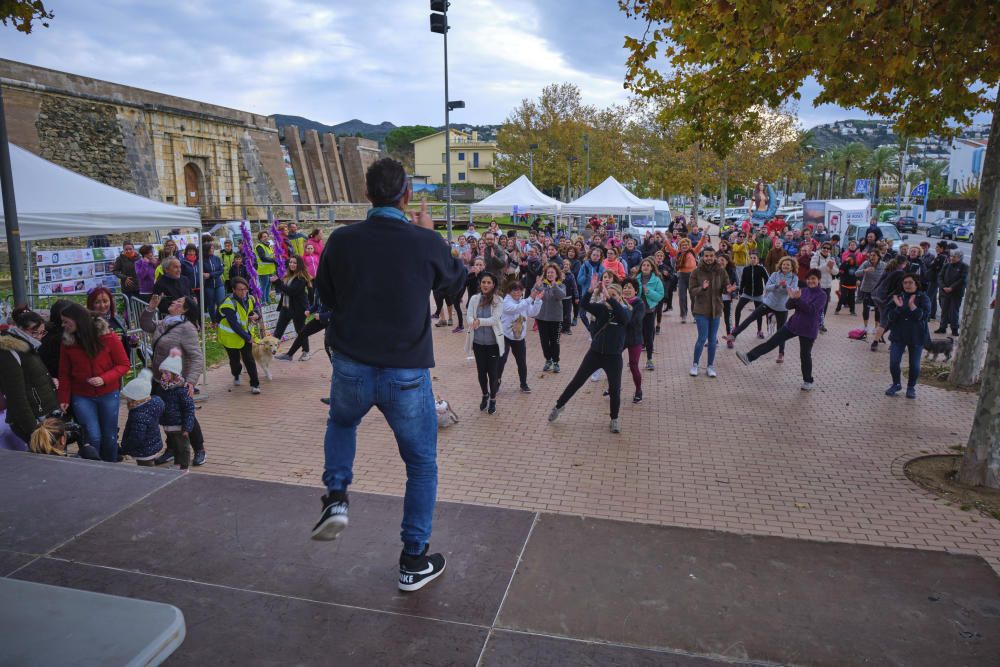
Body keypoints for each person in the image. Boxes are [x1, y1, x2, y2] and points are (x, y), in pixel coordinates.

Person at [312, 157, 466, 592]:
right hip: (406, 372)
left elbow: (324, 293)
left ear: (367, 194)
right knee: (420, 464)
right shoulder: (424, 241)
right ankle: (413, 560)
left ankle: (337, 497)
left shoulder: (342, 240)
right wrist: (433, 237)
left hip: (352, 364)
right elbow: (455, 286)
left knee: (342, 421)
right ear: (408, 195)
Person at [548, 281, 630, 434]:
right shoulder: (601, 309)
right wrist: (590, 290)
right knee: (577, 381)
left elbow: (625, 319)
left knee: (615, 389)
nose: (609, 297)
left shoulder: (624, 311)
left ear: (619, 297)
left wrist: (610, 299)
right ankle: (559, 406)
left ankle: (614, 419)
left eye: (613, 295)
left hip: (614, 357)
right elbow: (584, 305)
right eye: (608, 294)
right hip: (595, 353)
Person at [57, 303, 130, 462]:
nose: (63, 325)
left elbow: (124, 364)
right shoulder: (67, 342)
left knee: (109, 436)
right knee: (93, 436)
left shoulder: (109, 338)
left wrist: (104, 378)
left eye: (66, 321)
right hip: (82, 395)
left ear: (78, 321)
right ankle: (94, 467)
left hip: (109, 393)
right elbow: (64, 373)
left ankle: (111, 467)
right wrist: (63, 397)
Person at [141, 294, 207, 465]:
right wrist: (150, 308)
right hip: (159, 379)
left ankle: (199, 449)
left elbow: (196, 357)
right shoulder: (166, 322)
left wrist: (190, 381)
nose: (173, 302)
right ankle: (171, 449)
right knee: (166, 415)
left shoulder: (187, 328)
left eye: (178, 302)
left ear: (184, 309)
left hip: (178, 382)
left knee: (186, 417)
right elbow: (146, 325)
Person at [737, 269, 827, 391]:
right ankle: (749, 357)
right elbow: (788, 306)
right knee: (772, 342)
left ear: (819, 280)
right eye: (809, 279)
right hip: (793, 324)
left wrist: (798, 299)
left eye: (814, 279)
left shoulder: (822, 295)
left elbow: (811, 310)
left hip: (808, 329)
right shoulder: (803, 291)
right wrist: (793, 298)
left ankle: (808, 381)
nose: (811, 281)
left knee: (805, 355)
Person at [0, 307, 58, 450]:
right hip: (34, 421)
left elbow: (33, 378)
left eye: (42, 332)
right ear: (19, 329)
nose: (38, 337)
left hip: (43, 416)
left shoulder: (29, 346)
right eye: (34, 332)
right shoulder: (10, 351)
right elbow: (16, 397)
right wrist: (34, 429)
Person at [728, 256, 799, 363]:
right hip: (768, 303)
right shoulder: (775, 275)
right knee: (751, 317)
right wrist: (777, 285)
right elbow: (767, 287)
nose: (785, 266)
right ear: (780, 265)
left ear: (792, 267)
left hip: (782, 308)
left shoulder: (794, 278)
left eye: (788, 265)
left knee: (781, 332)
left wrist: (785, 286)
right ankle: (734, 335)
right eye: (784, 264)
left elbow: (792, 292)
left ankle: (781, 354)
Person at [884, 273, 931, 399]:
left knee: (914, 365)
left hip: (916, 335)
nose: (907, 285)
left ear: (916, 284)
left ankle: (911, 387)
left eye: (910, 282)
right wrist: (898, 308)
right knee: (894, 362)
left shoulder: (923, 298)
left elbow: (923, 316)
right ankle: (896, 384)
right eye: (905, 283)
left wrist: (912, 307)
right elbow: (889, 317)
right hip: (899, 335)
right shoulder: (897, 297)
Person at [464, 271, 504, 414]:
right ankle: (484, 395)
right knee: (481, 373)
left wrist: (478, 321)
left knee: (492, 374)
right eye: (483, 282)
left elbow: (495, 319)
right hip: (478, 343)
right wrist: (472, 321)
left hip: (493, 344)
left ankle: (493, 398)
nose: (486, 285)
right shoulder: (474, 299)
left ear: (493, 285)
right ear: (480, 284)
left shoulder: (498, 300)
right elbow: (468, 316)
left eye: (489, 283)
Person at [217, 277, 263, 395]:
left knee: (249, 359)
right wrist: (247, 337)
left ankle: (255, 384)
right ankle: (236, 374)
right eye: (240, 290)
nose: (243, 292)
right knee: (235, 361)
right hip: (230, 337)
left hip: (245, 334)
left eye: (245, 289)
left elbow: (255, 310)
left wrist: (256, 315)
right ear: (233, 290)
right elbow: (234, 324)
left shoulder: (250, 298)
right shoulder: (228, 303)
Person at [688, 246, 728, 377]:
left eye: (711, 256)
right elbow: (692, 291)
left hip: (716, 309)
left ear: (715, 256)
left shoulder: (721, 271)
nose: (709, 258)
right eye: (706, 256)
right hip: (701, 310)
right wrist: (702, 288)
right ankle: (695, 364)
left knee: (712, 340)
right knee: (702, 338)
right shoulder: (696, 272)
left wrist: (729, 289)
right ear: (702, 257)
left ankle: (710, 366)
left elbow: (725, 287)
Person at [498, 277, 543, 393]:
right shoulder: (506, 302)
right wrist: (531, 297)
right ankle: (495, 384)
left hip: (519, 338)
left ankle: (523, 384)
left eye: (519, 290)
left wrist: (537, 300)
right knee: (501, 360)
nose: (517, 292)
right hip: (506, 336)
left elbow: (533, 312)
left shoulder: (523, 302)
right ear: (509, 292)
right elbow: (515, 309)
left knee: (521, 362)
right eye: (514, 290)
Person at [156, 348, 195, 470]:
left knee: (182, 447)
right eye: (162, 372)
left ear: (175, 375)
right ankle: (177, 464)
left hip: (179, 425)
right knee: (174, 446)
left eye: (166, 373)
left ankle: (184, 467)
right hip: (168, 424)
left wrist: (187, 427)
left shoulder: (182, 390)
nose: (163, 375)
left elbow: (189, 410)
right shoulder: (162, 387)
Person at [120, 369, 164, 466]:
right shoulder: (153, 404)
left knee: (145, 470)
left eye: (128, 398)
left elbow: (136, 437)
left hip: (143, 450)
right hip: (152, 443)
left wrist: (125, 449)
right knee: (149, 465)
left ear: (136, 398)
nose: (127, 400)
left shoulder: (139, 415)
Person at [271, 256, 313, 359]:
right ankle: (270, 351)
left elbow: (291, 291)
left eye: (295, 263)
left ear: (299, 265)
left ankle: (306, 352)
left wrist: (277, 282)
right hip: (285, 307)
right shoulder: (287, 275)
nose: (292, 264)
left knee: (300, 331)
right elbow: (284, 290)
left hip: (298, 309)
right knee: (278, 330)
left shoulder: (301, 278)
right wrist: (275, 284)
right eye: (290, 262)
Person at [666, 234, 707, 323]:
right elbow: (669, 248)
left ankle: (695, 315)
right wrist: (663, 237)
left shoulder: (693, 251)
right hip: (682, 276)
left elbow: (700, 244)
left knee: (694, 297)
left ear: (689, 245)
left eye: (686, 245)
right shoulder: (677, 253)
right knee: (682, 297)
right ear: (680, 246)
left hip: (693, 277)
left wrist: (704, 234)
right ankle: (683, 315)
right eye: (682, 245)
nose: (684, 246)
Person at [536, 263, 567, 373]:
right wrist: (536, 286)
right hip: (542, 318)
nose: (549, 274)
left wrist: (554, 285)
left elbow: (561, 296)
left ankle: (556, 361)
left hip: (556, 319)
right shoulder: (541, 285)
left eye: (552, 272)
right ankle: (548, 360)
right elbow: (533, 295)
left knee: (555, 342)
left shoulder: (561, 285)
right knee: (544, 342)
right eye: (548, 272)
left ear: (556, 274)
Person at [636, 258, 664, 370]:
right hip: (637, 312)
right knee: (636, 336)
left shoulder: (656, 280)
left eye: (648, 265)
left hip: (649, 312)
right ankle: (635, 359)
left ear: (652, 267)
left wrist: (648, 292)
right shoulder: (636, 278)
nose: (646, 267)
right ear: (641, 267)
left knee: (648, 336)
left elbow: (660, 295)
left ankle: (649, 359)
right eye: (644, 265)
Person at [87, 286, 130, 359]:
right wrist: (110, 340)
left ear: (110, 301)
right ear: (91, 303)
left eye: (105, 301)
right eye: (97, 302)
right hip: (102, 364)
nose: (102, 306)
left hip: (120, 362)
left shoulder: (117, 318)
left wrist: (131, 341)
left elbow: (125, 339)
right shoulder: (87, 322)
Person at [622, 278, 647, 403]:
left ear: (635, 291)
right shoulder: (618, 301)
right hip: (619, 337)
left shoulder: (639, 303)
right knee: (612, 363)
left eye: (630, 287)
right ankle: (612, 387)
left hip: (635, 338)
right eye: (625, 287)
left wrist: (625, 310)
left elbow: (635, 321)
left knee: (633, 365)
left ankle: (638, 390)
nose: (627, 290)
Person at [735, 252, 768, 338]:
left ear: (757, 260)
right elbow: (743, 280)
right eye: (751, 258)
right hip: (747, 293)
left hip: (758, 295)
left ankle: (759, 330)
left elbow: (767, 280)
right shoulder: (746, 269)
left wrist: (767, 292)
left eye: (754, 258)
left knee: (759, 313)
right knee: (738, 309)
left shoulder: (762, 269)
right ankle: (736, 327)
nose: (752, 259)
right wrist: (741, 291)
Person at [936, 249, 968, 336]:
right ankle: (942, 327)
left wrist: (951, 288)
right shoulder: (946, 265)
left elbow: (963, 279)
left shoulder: (964, 267)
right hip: (945, 291)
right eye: (951, 256)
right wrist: (943, 287)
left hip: (956, 293)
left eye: (954, 257)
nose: (952, 258)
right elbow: (940, 276)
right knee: (944, 310)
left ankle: (954, 329)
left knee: (954, 311)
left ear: (960, 258)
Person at [810, 242, 839, 332]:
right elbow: (813, 269)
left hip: (828, 286)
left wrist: (831, 268)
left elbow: (836, 272)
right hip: (818, 286)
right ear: (821, 248)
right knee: (816, 306)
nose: (826, 250)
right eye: (824, 248)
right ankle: (813, 323)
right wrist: (826, 266)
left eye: (828, 248)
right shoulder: (816, 257)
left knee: (824, 306)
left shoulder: (831, 258)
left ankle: (821, 323)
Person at [202, 241, 225, 324]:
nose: (212, 250)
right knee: (211, 304)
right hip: (208, 285)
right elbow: (202, 273)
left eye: (213, 248)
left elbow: (221, 270)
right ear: (206, 249)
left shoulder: (217, 258)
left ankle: (221, 319)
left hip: (219, 283)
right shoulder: (202, 260)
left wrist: (210, 274)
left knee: (220, 302)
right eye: (211, 248)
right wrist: (205, 275)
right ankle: (214, 321)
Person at [255, 231, 277, 302]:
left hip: (270, 270)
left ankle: (268, 300)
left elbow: (271, 255)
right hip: (263, 270)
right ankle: (263, 301)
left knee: (268, 286)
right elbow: (263, 258)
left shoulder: (268, 246)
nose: (266, 238)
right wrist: (274, 260)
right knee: (263, 287)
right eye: (264, 236)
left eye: (267, 236)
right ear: (260, 238)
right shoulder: (259, 246)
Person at [560, 258, 579, 334]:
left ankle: (567, 329)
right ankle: (561, 328)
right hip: (560, 298)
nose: (566, 266)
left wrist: (576, 297)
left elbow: (574, 287)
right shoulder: (559, 274)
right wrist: (561, 279)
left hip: (568, 298)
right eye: (564, 264)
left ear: (569, 266)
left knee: (567, 314)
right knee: (561, 313)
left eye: (567, 264)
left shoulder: (571, 275)